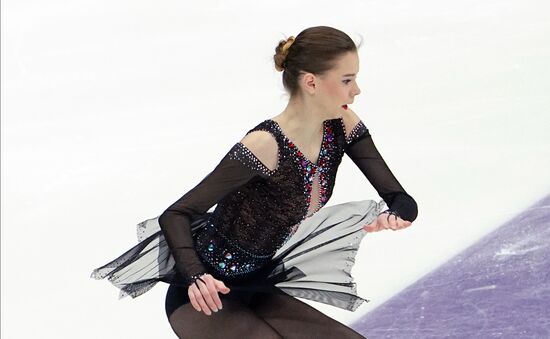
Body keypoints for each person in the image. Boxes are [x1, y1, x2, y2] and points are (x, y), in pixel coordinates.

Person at [91, 25, 418, 338]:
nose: (356, 90)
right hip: (204, 298)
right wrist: (196, 276)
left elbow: (400, 198)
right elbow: (176, 215)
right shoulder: (265, 145)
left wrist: (396, 213)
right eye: (347, 80)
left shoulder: (341, 126)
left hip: (255, 284)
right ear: (311, 83)